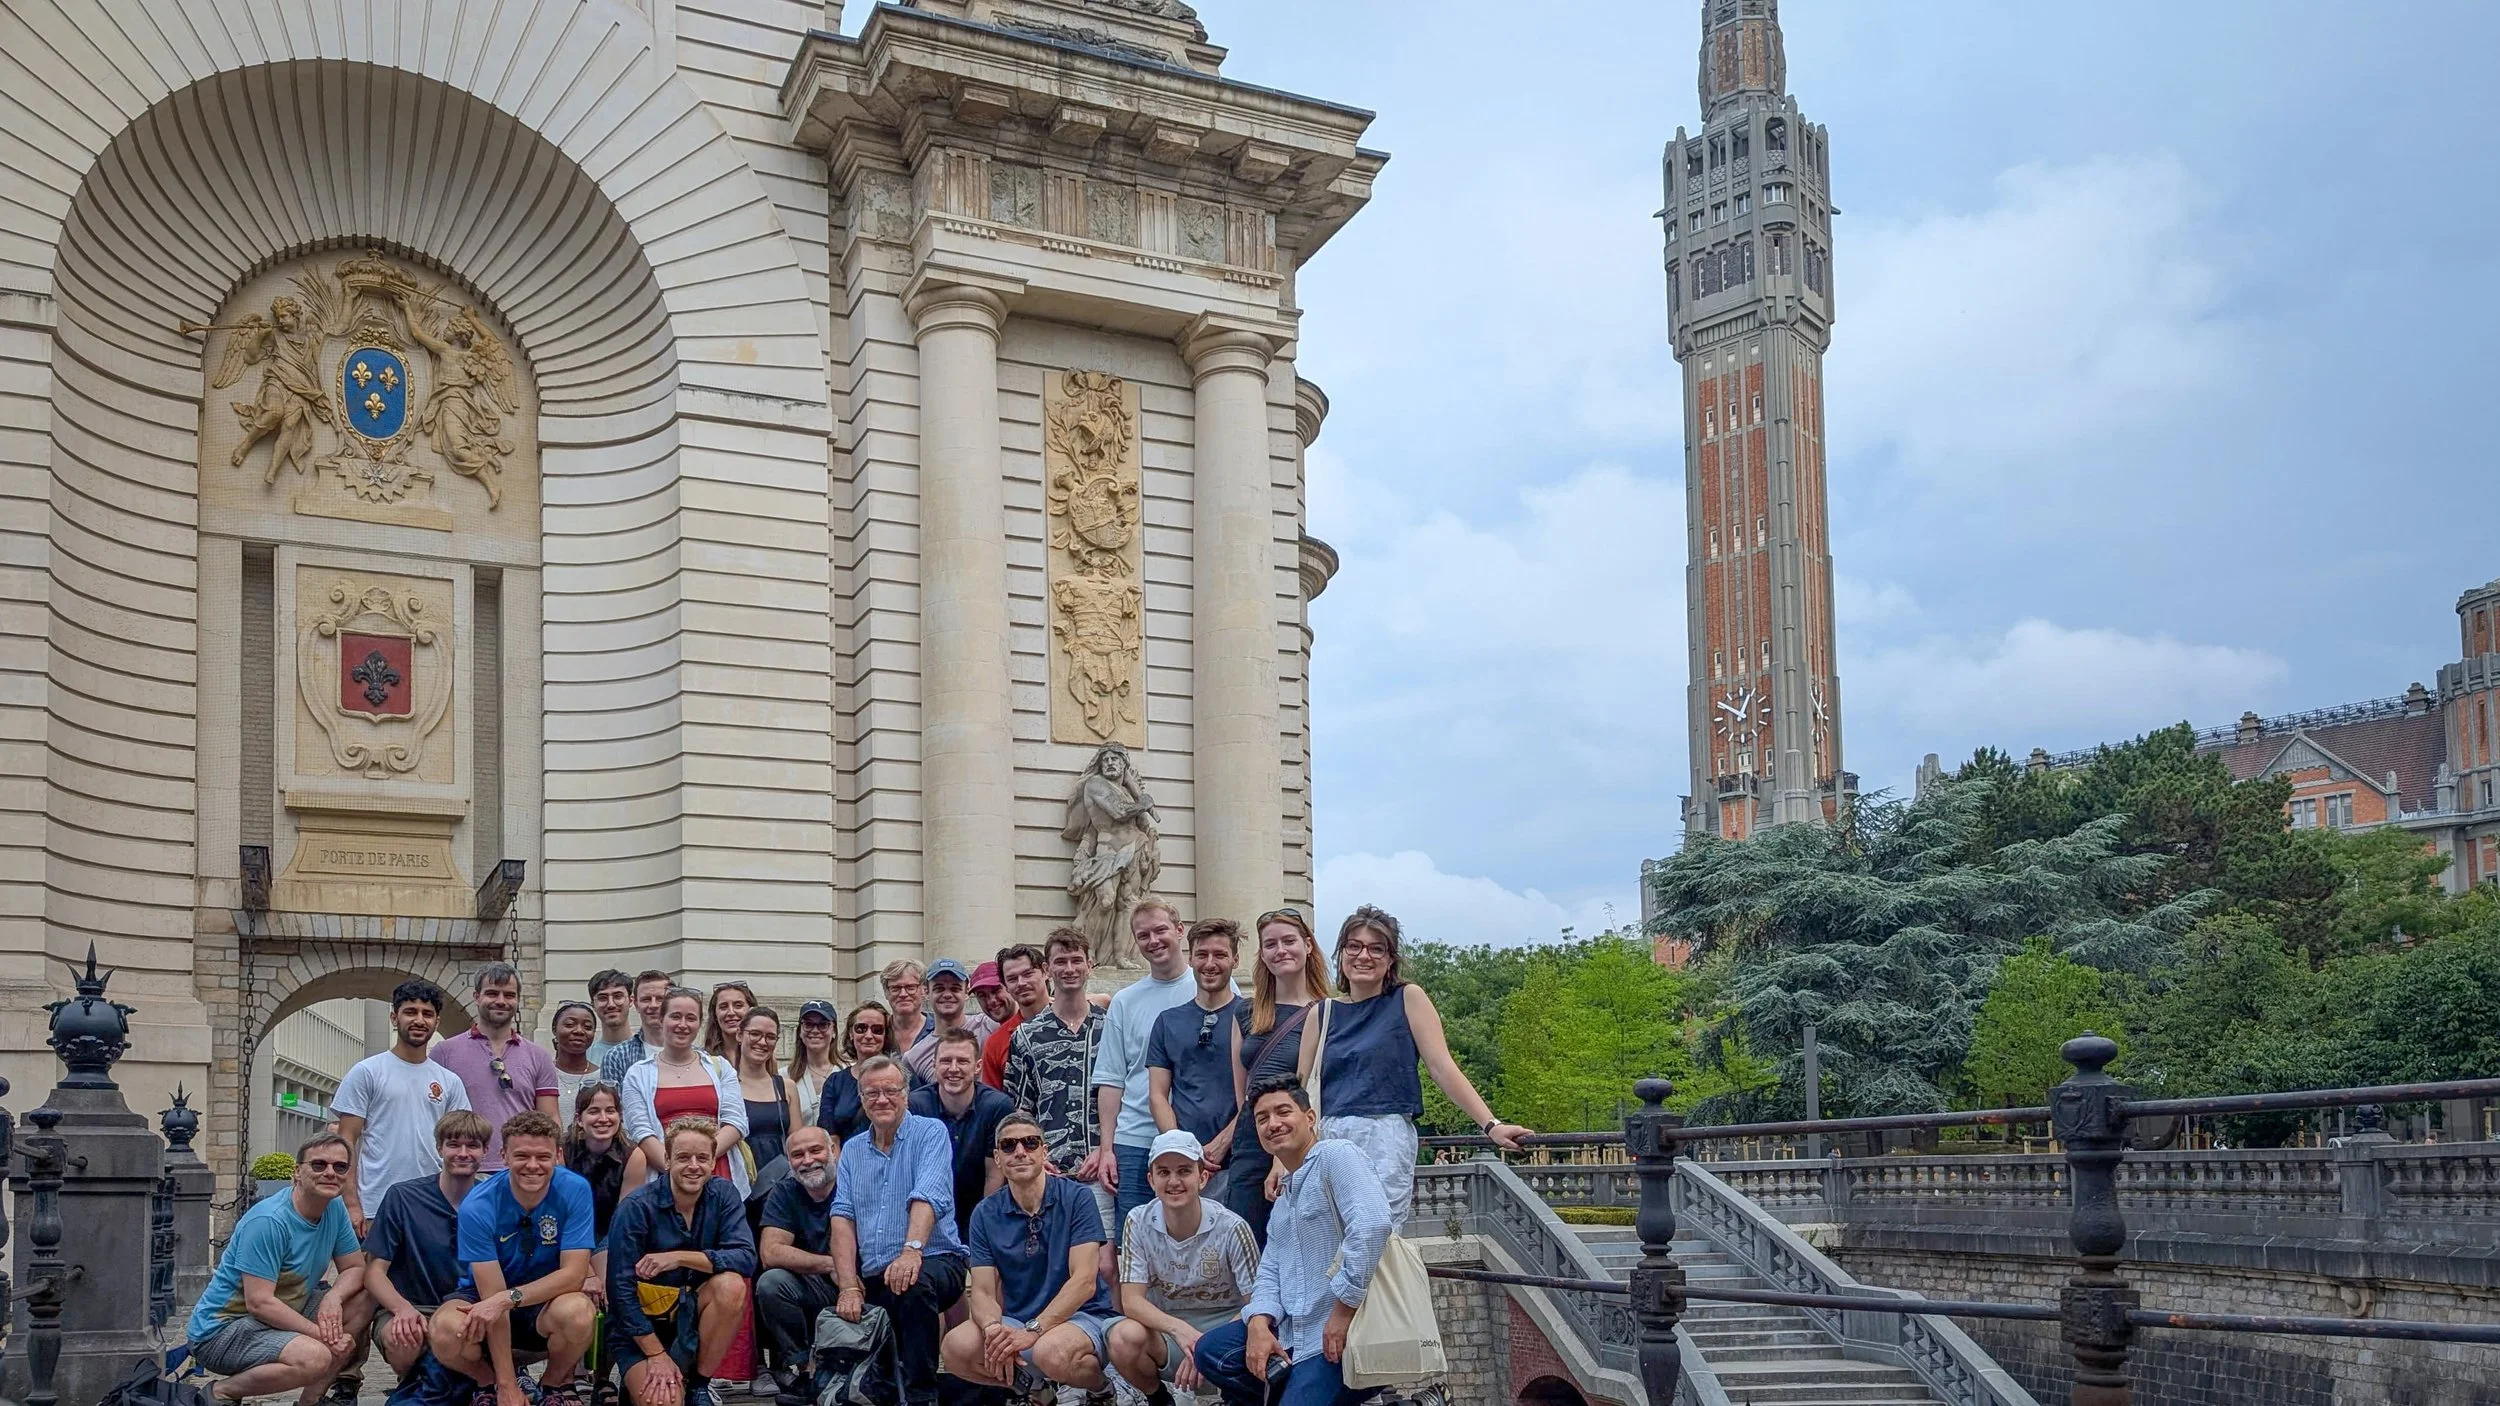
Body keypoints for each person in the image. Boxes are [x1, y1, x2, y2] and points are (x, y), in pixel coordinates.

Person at [1295, 906, 1531, 1229]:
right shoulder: (1322, 1014)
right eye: (1354, 946)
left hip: (1385, 1135)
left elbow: (1441, 1066)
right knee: (1328, 1240)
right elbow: (1298, 1093)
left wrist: (1491, 1125)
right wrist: (1281, 1160)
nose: (1364, 956)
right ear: (1341, 954)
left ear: (1390, 959)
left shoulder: (1407, 998)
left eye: (1376, 948)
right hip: (1330, 1136)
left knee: (1377, 1236)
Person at [1193, 1078, 1393, 1406]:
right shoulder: (1285, 1196)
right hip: (1292, 1332)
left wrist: (1343, 1311)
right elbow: (1270, 1270)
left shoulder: (1336, 1156)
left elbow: (1372, 1225)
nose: (1273, 1123)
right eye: (1262, 1118)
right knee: (1212, 1352)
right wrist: (1259, 1322)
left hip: (1343, 1333)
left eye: (1283, 1112)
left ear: (1310, 1118)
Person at [184, 1132, 369, 1405]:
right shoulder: (269, 1221)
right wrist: (324, 1335)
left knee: (364, 1296)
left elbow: (355, 1267)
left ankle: (311, 1401)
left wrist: (333, 1297)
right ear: (297, 1172)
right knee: (315, 1356)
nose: (330, 1173)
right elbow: (259, 1303)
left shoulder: (335, 1208)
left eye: (340, 1167)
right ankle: (221, 1393)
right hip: (223, 1332)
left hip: (284, 1310)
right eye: (319, 1164)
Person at [429, 1111, 599, 1406]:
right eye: (521, 1156)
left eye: (543, 1157)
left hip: (546, 1297)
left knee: (580, 1312)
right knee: (443, 1329)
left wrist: (508, 1298)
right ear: (503, 1156)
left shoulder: (575, 1189)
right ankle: (489, 1383)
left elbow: (574, 1275)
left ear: (558, 1155)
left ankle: (552, 1386)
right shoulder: (477, 1206)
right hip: (485, 1295)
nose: (532, 1166)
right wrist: (507, 1385)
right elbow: (491, 1297)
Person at [942, 1113, 1116, 1399]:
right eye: (1008, 1146)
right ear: (997, 1158)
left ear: (1044, 1151)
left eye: (1030, 1143)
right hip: (1018, 1321)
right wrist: (992, 1329)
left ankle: (1103, 1392)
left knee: (1050, 1352)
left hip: (1082, 1316)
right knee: (955, 1348)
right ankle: (1038, 1392)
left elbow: (1084, 1282)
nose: (1020, 1151)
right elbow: (983, 1291)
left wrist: (1034, 1330)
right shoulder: (984, 1213)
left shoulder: (1078, 1198)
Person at [828, 1057, 969, 1406]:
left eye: (890, 1091)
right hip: (877, 1270)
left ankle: (922, 1396)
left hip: (935, 1258)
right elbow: (842, 1217)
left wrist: (911, 1250)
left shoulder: (930, 1132)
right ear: (861, 1099)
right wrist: (848, 1285)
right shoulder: (852, 1151)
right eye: (872, 1093)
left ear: (906, 1094)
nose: (881, 1099)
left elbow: (927, 1194)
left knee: (911, 1283)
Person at [606, 1117, 757, 1406]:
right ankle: (639, 1381)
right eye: (683, 1157)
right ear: (667, 1160)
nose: (693, 1166)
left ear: (713, 1162)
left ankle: (699, 1385)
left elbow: (746, 1259)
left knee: (732, 1285)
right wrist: (656, 1354)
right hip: (643, 1328)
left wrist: (678, 1258)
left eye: (702, 1158)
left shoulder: (724, 1194)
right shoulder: (635, 1208)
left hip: (694, 1318)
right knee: (664, 1402)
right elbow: (619, 1290)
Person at [1108, 1130, 1258, 1406]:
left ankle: (1234, 1396)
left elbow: (1257, 1303)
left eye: (1184, 1171)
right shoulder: (1137, 1221)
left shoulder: (1233, 1227)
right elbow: (1131, 1301)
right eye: (1164, 1172)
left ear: (1203, 1178)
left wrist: (1208, 1347)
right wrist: (1180, 1331)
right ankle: (1159, 1399)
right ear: (1151, 1180)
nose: (1174, 1181)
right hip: (1168, 1326)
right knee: (1122, 1337)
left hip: (1227, 1325)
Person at [1093, 899, 1204, 1243]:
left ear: (1180, 930)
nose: (1153, 941)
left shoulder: (1210, 987)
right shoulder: (1125, 1001)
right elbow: (1111, 1080)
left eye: (1160, 930)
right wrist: (1107, 1148)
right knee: (1135, 1247)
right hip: (1135, 1141)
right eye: (1143, 935)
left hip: (1199, 1138)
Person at [361, 1110, 493, 1382]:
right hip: (415, 1305)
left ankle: (472, 1381)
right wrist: (401, 1308)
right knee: (401, 1337)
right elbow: (374, 1272)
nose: (463, 1153)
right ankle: (413, 1383)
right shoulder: (403, 1197)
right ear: (439, 1148)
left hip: (469, 1308)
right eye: (454, 1145)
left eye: (472, 1146)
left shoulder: (494, 1200)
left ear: (485, 1151)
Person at [335, 978, 474, 1236]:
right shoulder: (367, 1072)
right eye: (410, 1012)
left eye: (427, 1014)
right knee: (375, 1264)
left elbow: (460, 1144)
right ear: (394, 1017)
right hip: (376, 1205)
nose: (419, 1020)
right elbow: (346, 1140)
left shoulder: (450, 1081)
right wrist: (351, 1203)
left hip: (433, 1204)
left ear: (437, 1022)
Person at [1227, 909, 1330, 1246]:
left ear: (1308, 945)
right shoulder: (1246, 1012)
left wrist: (1280, 1157)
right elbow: (1242, 1092)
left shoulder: (1327, 1011)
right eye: (1271, 944)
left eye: (1289, 941)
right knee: (1246, 1240)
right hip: (1251, 1137)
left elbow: (1312, 1086)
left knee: (1300, 1243)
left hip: (1297, 1139)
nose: (1280, 950)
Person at [1003, 930, 1109, 1229]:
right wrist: (1032, 1154)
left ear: (1090, 965)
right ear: (1047, 969)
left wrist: (1106, 1149)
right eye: (1061, 962)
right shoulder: (1026, 1035)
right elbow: (1019, 1109)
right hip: (1048, 1174)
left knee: (1102, 1254)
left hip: (1101, 1171)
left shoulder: (1111, 1027)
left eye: (1077, 960)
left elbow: (1126, 1098)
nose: (1069, 969)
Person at [621, 988, 751, 1195]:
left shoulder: (721, 1068)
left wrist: (701, 1163)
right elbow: (640, 1132)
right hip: (664, 1177)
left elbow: (736, 1122)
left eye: (690, 1018)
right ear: (661, 1020)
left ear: (699, 1024)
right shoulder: (638, 1074)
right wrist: (677, 1168)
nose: (682, 1025)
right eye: (675, 1016)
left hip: (719, 1174)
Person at [433, 962, 563, 1169]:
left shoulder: (539, 1057)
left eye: (509, 995)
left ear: (518, 1000)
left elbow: (549, 1118)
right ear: (476, 997)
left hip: (520, 1169)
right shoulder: (444, 1053)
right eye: (492, 993)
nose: (501, 1001)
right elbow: (432, 1115)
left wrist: (556, 1167)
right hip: (462, 1169)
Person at [1144, 919, 1246, 1170]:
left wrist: (1223, 1142)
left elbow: (1258, 1093)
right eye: (1202, 955)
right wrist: (1182, 1147)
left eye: (1220, 955)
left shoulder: (1252, 1017)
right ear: (1190, 959)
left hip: (1243, 1155)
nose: (1210, 964)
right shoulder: (1168, 1021)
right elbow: (1157, 1095)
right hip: (1185, 1162)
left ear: (1235, 960)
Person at [752, 1126, 841, 1403]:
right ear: (789, 1160)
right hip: (814, 1285)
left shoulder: (854, 1183)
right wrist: (831, 1264)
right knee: (771, 1283)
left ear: (833, 1151)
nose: (808, 1160)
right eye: (798, 1155)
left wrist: (849, 1276)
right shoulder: (785, 1191)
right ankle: (806, 1371)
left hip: (863, 1282)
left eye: (815, 1151)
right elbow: (770, 1252)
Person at [907, 1026, 1012, 1239]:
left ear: (977, 1067)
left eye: (962, 1061)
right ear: (934, 1065)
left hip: (981, 1207)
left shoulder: (997, 1106)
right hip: (929, 1211)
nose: (953, 1069)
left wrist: (982, 1229)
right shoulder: (915, 1105)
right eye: (946, 1061)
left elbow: (994, 1173)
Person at [563, 1085, 631, 1298]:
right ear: (579, 1118)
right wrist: (587, 1269)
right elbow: (561, 1213)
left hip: (609, 1233)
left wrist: (600, 1262)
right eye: (593, 1111)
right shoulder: (562, 1151)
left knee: (608, 1288)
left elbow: (624, 1219)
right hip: (568, 1234)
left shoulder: (633, 1155)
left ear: (620, 1116)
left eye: (610, 1111)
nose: (603, 1118)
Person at [813, 999, 903, 1146]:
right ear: (851, 1033)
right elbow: (830, 1138)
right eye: (861, 1028)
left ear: (885, 1035)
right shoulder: (835, 1082)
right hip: (847, 1157)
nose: (868, 1035)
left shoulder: (902, 1076)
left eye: (877, 1030)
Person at [902, 958, 997, 1084]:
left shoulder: (989, 1026)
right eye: (939, 989)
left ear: (967, 991)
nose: (947, 994)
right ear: (926, 991)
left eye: (955, 988)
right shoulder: (914, 1057)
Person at [733, 1005, 802, 1171]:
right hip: (738, 1177)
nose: (762, 1042)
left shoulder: (786, 1087)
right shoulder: (726, 1085)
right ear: (739, 1034)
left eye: (770, 1037)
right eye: (755, 1034)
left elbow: (798, 1143)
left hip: (779, 1180)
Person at [980, 944, 1048, 1091]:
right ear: (1006, 986)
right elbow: (993, 1099)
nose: (1021, 983)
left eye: (1028, 974)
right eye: (1012, 979)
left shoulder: (1074, 1022)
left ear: (1045, 971)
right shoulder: (995, 1043)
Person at [601, 970, 678, 1087]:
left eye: (660, 999)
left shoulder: (698, 1057)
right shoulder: (617, 1057)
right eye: (646, 999)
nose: (653, 1005)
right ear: (636, 1005)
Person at [787, 1000, 841, 1119]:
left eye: (823, 1025)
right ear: (800, 1032)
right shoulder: (785, 1076)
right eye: (808, 1024)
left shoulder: (847, 1074)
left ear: (834, 1031)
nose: (815, 1031)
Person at [549, 1001, 604, 1111]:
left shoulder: (602, 1078)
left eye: (587, 1027)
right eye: (569, 1025)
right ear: (554, 1030)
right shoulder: (542, 1074)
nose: (579, 1031)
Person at [588, 971, 637, 1066]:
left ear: (631, 1001)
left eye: (618, 996)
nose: (611, 1004)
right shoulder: (586, 1057)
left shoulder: (650, 1050)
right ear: (593, 1004)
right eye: (603, 998)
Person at [880, 960, 932, 1047]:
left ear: (924, 990)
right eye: (895, 988)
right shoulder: (877, 1031)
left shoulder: (940, 1030)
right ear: (886, 993)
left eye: (910, 987)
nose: (903, 994)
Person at [703, 981, 757, 1061]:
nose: (731, 1013)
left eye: (738, 1006)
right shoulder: (704, 1059)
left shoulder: (763, 1058)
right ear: (715, 1014)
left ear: (751, 1011)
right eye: (723, 1007)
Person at [971, 961, 1014, 1026]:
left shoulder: (1029, 1024)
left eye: (996, 990)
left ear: (1009, 986)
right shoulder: (992, 1030)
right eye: (982, 995)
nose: (990, 1001)